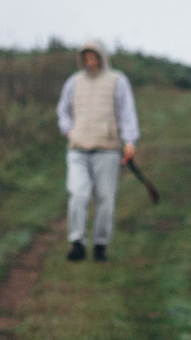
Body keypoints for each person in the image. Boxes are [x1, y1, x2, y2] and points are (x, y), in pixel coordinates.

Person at [55, 40, 139, 262]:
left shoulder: (117, 81)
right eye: (86, 58)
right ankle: (77, 243)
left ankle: (101, 245)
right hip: (78, 150)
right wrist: (69, 131)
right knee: (78, 194)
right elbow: (63, 111)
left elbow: (127, 113)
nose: (90, 62)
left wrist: (129, 141)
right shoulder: (73, 82)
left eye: (94, 57)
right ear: (82, 60)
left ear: (102, 58)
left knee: (105, 199)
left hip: (107, 149)